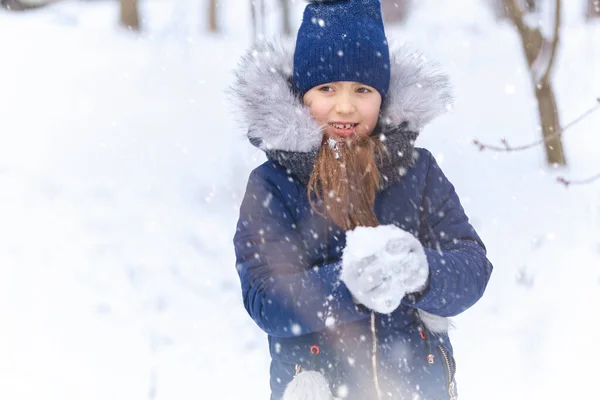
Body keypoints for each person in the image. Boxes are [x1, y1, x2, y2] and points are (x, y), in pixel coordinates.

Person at [230, 1, 493, 399]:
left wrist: (421, 273)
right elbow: (266, 298)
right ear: (303, 95)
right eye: (327, 88)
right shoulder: (271, 184)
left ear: (382, 96)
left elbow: (472, 268)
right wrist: (346, 284)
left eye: (363, 90)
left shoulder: (417, 172)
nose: (346, 106)